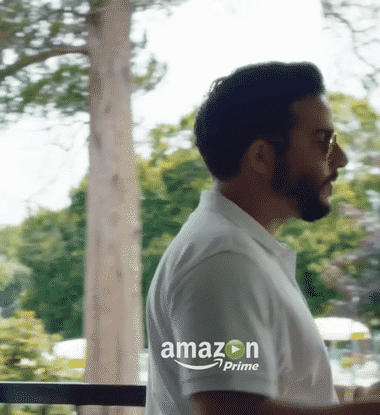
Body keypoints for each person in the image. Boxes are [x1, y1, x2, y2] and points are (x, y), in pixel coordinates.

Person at [145, 62, 380, 414]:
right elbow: (232, 411)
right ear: (261, 156)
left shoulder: (238, 249)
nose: (341, 159)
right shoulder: (224, 259)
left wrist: (362, 397)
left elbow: (279, 392)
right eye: (322, 142)